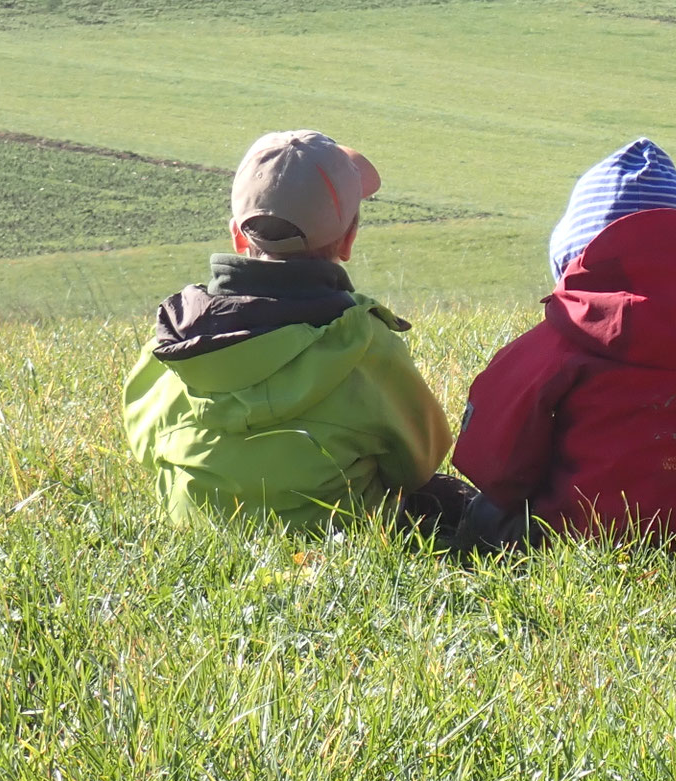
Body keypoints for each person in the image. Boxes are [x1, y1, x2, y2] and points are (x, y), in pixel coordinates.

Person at [451, 139, 676, 562]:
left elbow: (495, 454)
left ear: (570, 259)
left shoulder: (558, 342)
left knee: (488, 513)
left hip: (583, 539)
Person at [124, 129, 466, 533]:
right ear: (349, 239)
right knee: (453, 503)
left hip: (196, 528)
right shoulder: (364, 341)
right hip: (342, 533)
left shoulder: (177, 338)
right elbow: (419, 462)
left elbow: (143, 442)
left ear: (237, 235)